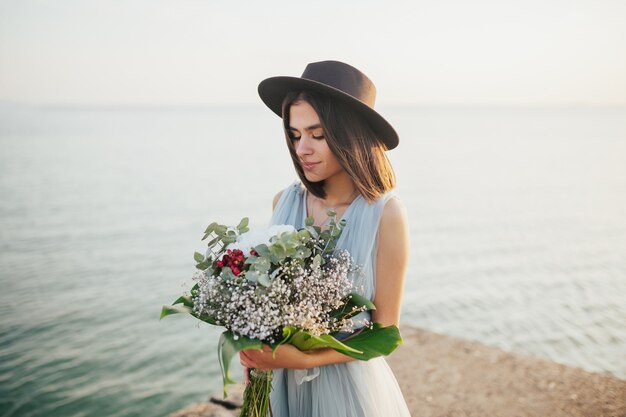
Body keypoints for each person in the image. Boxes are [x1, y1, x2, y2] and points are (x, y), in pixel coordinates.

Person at [239, 60, 411, 417]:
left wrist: (303, 359)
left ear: (351, 135)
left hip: (349, 394)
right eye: (295, 134)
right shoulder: (283, 201)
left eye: (317, 135)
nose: (303, 149)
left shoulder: (386, 215)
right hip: (280, 388)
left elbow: (385, 333)